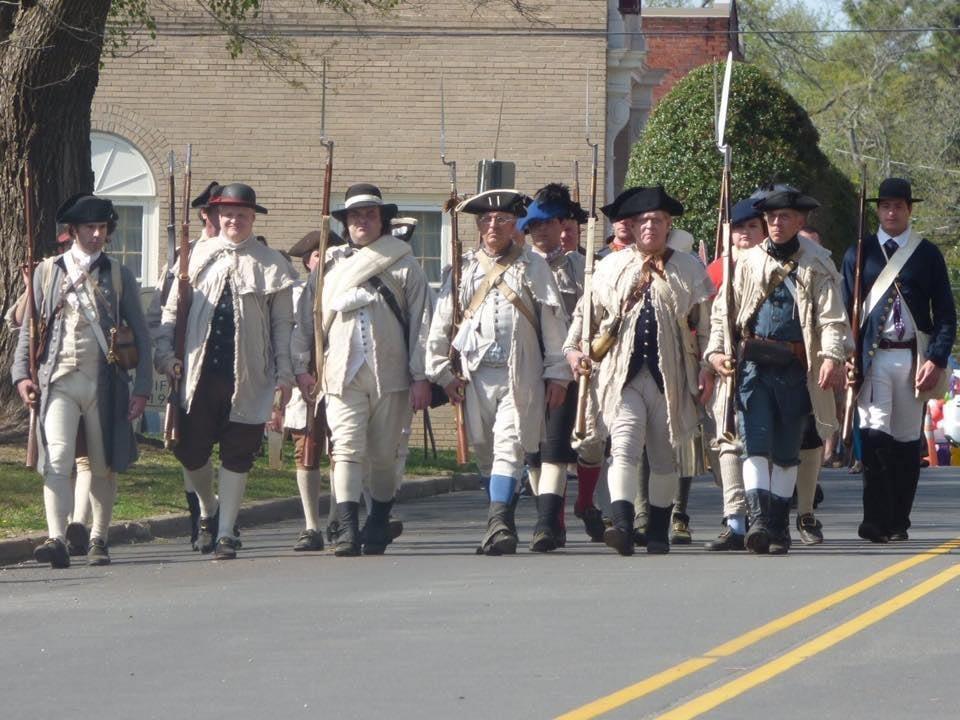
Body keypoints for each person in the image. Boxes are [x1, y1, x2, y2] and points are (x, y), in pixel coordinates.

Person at [564, 186, 715, 555]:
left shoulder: (689, 267)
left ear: (669, 225)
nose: (650, 227)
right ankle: (623, 524)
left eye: (658, 220)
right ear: (631, 226)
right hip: (621, 376)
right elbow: (585, 318)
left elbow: (708, 326)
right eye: (643, 221)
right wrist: (573, 351)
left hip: (671, 375)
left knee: (664, 456)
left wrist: (708, 363)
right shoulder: (609, 267)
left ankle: (660, 529)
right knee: (625, 448)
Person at [155, 183, 296, 560]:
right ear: (217, 217)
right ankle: (208, 509)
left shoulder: (273, 264)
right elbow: (170, 316)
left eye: (242, 215)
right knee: (190, 450)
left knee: (238, 453)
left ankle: (226, 532)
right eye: (228, 214)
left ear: (253, 218)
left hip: (250, 375)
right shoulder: (192, 259)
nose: (234, 220)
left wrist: (285, 375)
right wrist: (166, 356)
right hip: (198, 374)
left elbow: (283, 326)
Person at [426, 188, 571, 555]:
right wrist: (443, 373)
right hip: (474, 376)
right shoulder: (463, 269)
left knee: (510, 445)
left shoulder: (533, 266)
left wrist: (557, 373)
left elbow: (553, 322)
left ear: (513, 226)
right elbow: (442, 324)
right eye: (487, 220)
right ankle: (499, 514)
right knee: (485, 451)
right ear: (478, 226)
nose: (494, 226)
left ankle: (499, 522)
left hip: (519, 373)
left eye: (503, 220)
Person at [12, 194, 152, 568]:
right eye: (89, 227)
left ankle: (98, 537)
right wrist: (21, 375)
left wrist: (142, 388)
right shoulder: (47, 272)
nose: (96, 234)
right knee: (56, 458)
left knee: (102, 463)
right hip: (58, 379)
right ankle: (57, 537)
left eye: (102, 228)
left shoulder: (119, 276)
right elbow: (30, 331)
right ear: (72, 231)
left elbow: (141, 334)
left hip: (103, 383)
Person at [293, 183, 432, 557]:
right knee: (346, 449)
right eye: (355, 216)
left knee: (384, 457)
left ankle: (378, 518)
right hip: (341, 373)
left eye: (370, 215)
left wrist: (421, 375)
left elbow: (422, 325)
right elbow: (308, 318)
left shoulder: (404, 263)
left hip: (391, 374)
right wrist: (301, 366)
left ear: (382, 220)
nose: (362, 221)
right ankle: (348, 528)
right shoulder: (330, 265)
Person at [707, 185, 847, 555]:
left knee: (786, 450)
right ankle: (759, 523)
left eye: (784, 216)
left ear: (800, 220)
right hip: (753, 367)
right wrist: (716, 353)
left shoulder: (818, 263)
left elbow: (833, 320)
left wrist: (831, 356)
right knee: (753, 444)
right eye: (770, 217)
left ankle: (778, 528)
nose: (776, 223)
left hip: (796, 368)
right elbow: (723, 315)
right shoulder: (747, 262)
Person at [841, 178, 956, 542]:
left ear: (909, 210)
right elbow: (844, 312)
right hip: (874, 359)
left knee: (907, 442)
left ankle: (898, 520)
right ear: (877, 210)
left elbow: (946, 316)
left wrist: (936, 358)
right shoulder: (858, 253)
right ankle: (874, 519)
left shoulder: (927, 254)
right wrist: (848, 357)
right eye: (886, 206)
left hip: (913, 357)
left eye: (898, 206)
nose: (892, 212)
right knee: (875, 435)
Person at [516, 183, 606, 547]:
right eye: (534, 226)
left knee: (582, 444)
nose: (541, 231)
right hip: (526, 364)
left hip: (572, 368)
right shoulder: (518, 268)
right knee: (535, 449)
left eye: (549, 223)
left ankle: (583, 505)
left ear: (562, 225)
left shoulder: (583, 268)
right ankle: (550, 519)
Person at [147, 180, 220, 550]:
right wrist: (165, 354)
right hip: (187, 364)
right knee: (188, 446)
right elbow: (164, 309)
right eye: (213, 212)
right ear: (204, 214)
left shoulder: (248, 251)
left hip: (225, 366)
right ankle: (201, 518)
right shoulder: (183, 256)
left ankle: (222, 521)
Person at [702, 197, 766, 551]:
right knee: (728, 442)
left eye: (751, 227)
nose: (744, 234)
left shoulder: (776, 266)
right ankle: (735, 519)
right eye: (738, 227)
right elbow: (704, 324)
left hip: (767, 364)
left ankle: (764, 516)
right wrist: (709, 361)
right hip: (727, 366)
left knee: (763, 444)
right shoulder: (715, 272)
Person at [284, 228, 344, 551]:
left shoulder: (344, 282)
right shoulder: (299, 292)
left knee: (341, 448)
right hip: (308, 375)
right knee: (306, 448)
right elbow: (298, 332)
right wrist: (300, 370)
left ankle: (336, 518)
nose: (326, 259)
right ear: (308, 262)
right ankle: (311, 526)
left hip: (339, 372)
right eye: (319, 255)